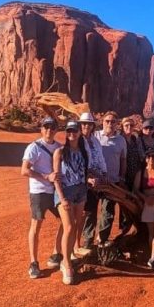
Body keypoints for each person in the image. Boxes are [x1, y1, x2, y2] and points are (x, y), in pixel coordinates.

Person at [21, 116, 63, 279]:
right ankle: (33, 263)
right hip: (39, 192)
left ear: (56, 130)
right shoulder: (34, 147)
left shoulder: (59, 147)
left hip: (55, 192)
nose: (49, 130)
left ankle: (56, 254)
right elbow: (24, 170)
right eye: (46, 127)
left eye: (52, 127)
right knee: (36, 225)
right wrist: (46, 177)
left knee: (66, 221)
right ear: (41, 129)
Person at [52, 120, 89, 284]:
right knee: (68, 227)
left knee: (76, 224)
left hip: (80, 191)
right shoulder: (60, 152)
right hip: (65, 192)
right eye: (69, 131)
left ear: (79, 132)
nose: (72, 133)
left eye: (74, 130)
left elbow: (84, 171)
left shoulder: (83, 152)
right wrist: (61, 198)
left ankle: (70, 255)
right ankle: (65, 264)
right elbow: (56, 177)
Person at [93, 111, 128, 247]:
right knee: (90, 212)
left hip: (112, 182)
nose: (110, 124)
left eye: (113, 122)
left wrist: (122, 177)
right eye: (107, 121)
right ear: (102, 122)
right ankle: (88, 241)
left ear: (117, 124)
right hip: (94, 181)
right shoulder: (95, 136)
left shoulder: (121, 140)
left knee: (107, 212)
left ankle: (102, 239)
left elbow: (123, 160)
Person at [77, 112, 107, 255]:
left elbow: (100, 157)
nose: (86, 126)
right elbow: (78, 162)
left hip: (97, 180)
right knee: (83, 213)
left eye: (89, 124)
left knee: (92, 211)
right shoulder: (78, 140)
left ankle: (88, 241)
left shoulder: (95, 141)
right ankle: (77, 244)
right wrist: (87, 178)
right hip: (83, 181)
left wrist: (104, 173)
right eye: (84, 124)